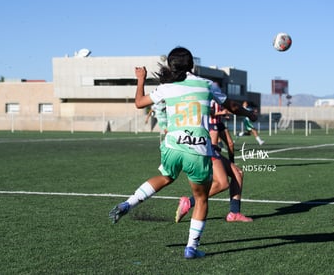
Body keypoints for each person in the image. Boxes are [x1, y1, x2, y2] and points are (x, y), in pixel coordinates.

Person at [109, 47, 257, 259]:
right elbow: (232, 107)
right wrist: (248, 113)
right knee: (201, 197)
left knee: (166, 176)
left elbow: (139, 103)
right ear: (192, 65)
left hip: (173, 144)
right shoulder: (207, 85)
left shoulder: (167, 87)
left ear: (171, 66)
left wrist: (140, 78)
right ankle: (191, 248)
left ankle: (129, 203)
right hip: (197, 147)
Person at [175, 147, 253, 223]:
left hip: (209, 148)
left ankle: (234, 213)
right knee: (222, 183)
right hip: (205, 148)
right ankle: (189, 202)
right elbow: (213, 135)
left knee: (238, 173)